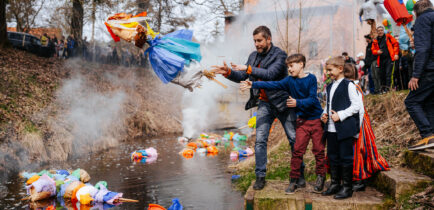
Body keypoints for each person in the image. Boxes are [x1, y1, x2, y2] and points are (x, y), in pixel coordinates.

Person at [211, 26, 301, 190]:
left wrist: (248, 68)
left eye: (259, 40)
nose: (257, 44)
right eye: (254, 41)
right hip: (264, 104)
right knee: (260, 141)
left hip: (283, 103)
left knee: (294, 139)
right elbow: (243, 76)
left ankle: (299, 175)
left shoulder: (280, 55)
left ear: (268, 39)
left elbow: (270, 74)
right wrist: (228, 72)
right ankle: (260, 176)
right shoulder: (253, 56)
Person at [240, 54, 326, 194]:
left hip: (315, 120)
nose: (289, 69)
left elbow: (312, 99)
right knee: (297, 150)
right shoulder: (289, 81)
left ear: (301, 64)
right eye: (288, 67)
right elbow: (273, 84)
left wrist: (297, 103)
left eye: (291, 66)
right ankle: (294, 181)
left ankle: (321, 177)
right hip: (302, 121)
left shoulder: (311, 79)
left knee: (318, 150)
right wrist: (253, 84)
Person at [344, 63, 390, 191]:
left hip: (358, 124)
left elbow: (359, 109)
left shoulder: (353, 87)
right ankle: (354, 178)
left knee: (359, 151)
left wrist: (357, 128)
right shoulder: (352, 86)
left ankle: (359, 180)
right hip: (354, 123)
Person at [321, 56, 361, 199]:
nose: (328, 73)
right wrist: (324, 114)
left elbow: (356, 106)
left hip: (344, 128)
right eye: (327, 70)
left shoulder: (349, 85)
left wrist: (341, 115)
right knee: (333, 156)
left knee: (345, 157)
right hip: (331, 129)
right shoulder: (330, 86)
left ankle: (347, 187)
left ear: (340, 69)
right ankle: (335, 183)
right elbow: (328, 104)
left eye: (330, 70)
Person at [404, 0, 434, 151]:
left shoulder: (422, 20)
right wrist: (418, 43)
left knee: (412, 102)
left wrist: (415, 75)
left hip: (429, 70)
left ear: (415, 13)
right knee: (429, 103)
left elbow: (424, 50)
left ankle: (427, 134)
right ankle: (431, 137)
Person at [371, 26, 399, 93]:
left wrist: (396, 54)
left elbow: (396, 44)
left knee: (388, 74)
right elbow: (373, 50)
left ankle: (389, 89)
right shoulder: (375, 40)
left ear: (383, 31)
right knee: (381, 75)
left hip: (389, 58)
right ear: (377, 32)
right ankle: (383, 89)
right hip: (380, 59)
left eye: (381, 30)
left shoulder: (388, 37)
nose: (380, 32)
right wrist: (377, 52)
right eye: (379, 31)